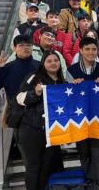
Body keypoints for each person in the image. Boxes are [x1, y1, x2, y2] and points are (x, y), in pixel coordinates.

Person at [16, 50, 65, 190]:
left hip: (51, 132)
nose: (53, 63)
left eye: (55, 60)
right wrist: (35, 93)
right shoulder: (34, 77)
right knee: (33, 167)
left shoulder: (62, 80)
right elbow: (19, 98)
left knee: (46, 166)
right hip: (31, 130)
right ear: (43, 63)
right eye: (49, 61)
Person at [66, 37, 99, 190]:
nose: (91, 52)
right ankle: (88, 182)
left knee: (97, 153)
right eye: (88, 49)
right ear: (81, 51)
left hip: (98, 119)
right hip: (80, 120)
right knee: (84, 153)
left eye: (94, 49)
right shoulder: (72, 71)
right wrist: (73, 86)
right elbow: (67, 96)